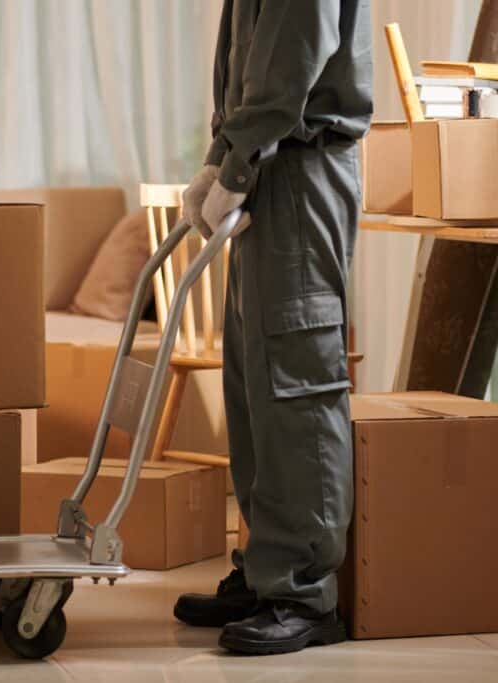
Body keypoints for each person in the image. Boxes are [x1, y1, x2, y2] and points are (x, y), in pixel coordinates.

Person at [176, 0, 373, 655]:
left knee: (297, 381)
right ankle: (267, 572)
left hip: (301, 164)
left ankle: (301, 593)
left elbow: (291, 51)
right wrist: (222, 155)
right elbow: (246, 60)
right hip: (268, 160)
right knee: (253, 375)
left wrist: (234, 162)